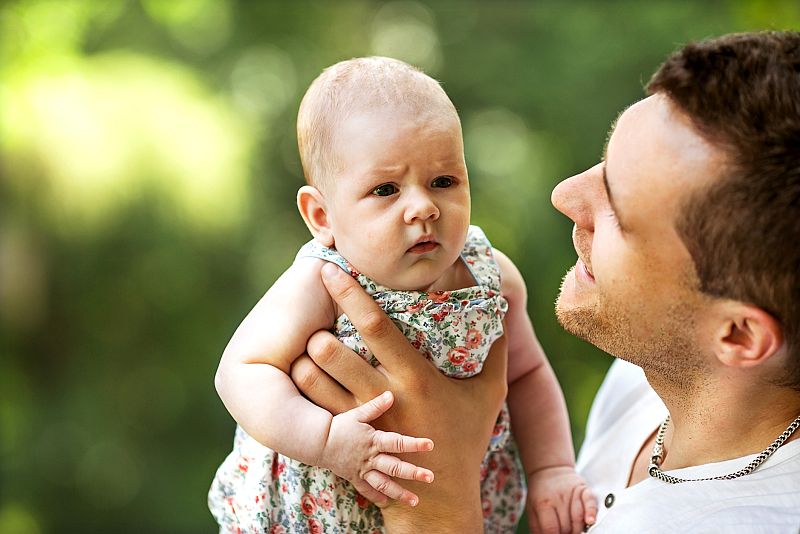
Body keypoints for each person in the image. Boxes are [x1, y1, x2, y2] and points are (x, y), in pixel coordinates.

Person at [290, 31, 800, 533]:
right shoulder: (654, 378)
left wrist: (437, 513)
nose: (564, 195)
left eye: (618, 209)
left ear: (737, 335)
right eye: (602, 165)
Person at [208, 57, 595, 533]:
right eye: (386, 189)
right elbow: (241, 372)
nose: (423, 207)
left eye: (443, 181)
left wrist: (552, 469)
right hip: (315, 512)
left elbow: (530, 374)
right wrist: (327, 440)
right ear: (322, 216)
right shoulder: (322, 281)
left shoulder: (489, 275)